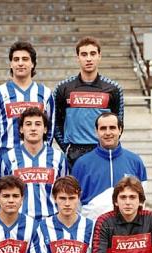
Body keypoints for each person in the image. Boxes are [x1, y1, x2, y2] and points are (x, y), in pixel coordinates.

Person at [53, 36, 124, 166]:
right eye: (84, 54)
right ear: (78, 58)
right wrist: (66, 148)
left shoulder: (113, 89)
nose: (89, 58)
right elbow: (56, 122)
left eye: (93, 54)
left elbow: (119, 124)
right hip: (74, 153)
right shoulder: (63, 88)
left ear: (99, 56)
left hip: (102, 151)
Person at [72, 112, 147, 221]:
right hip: (93, 229)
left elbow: (141, 200)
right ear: (96, 131)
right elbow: (75, 203)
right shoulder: (81, 164)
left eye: (112, 128)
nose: (108, 132)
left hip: (126, 231)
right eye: (103, 128)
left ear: (120, 130)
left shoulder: (135, 161)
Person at [0, 41, 54, 161]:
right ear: (11, 64)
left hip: (37, 157)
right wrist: (2, 151)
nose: (20, 63)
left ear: (33, 63)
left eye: (25, 59)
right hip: (7, 155)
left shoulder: (45, 93)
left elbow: (50, 128)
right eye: (16, 59)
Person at [0, 107, 67, 219]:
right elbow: (0, 194)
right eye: (28, 124)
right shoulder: (8, 158)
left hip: (50, 222)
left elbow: (64, 193)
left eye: (38, 124)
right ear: (21, 129)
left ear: (45, 129)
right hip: (19, 223)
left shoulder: (58, 157)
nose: (33, 128)